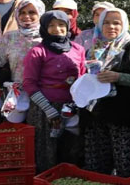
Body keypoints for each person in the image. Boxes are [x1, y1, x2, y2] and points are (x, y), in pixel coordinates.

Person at [81, 8, 130, 178]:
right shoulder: (94, 48)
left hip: (126, 118)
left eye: (116, 23)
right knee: (97, 164)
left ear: (124, 25)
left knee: (127, 165)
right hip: (97, 117)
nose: (111, 26)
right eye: (106, 22)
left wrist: (119, 77)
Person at [23, 10, 87, 172]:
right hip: (45, 110)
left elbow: (81, 78)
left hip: (72, 107)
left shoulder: (78, 49)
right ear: (44, 28)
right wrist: (49, 111)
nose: (57, 29)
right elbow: (29, 84)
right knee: (46, 152)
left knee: (71, 149)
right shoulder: (38, 52)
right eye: (51, 25)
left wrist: (76, 104)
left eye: (61, 24)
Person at [0, 0, 45, 103]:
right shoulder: (9, 37)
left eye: (32, 12)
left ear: (40, 14)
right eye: (22, 12)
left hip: (42, 93)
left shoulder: (47, 37)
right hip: (14, 93)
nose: (26, 16)